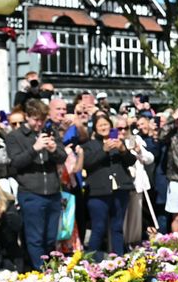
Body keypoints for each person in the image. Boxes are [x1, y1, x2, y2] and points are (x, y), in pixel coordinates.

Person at [7, 99, 66, 269]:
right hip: (31, 193)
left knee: (50, 237)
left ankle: (50, 269)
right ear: (27, 117)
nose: (39, 124)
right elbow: (16, 163)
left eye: (42, 120)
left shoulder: (51, 131)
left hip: (53, 193)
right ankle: (40, 272)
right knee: (35, 238)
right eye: (35, 119)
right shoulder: (15, 137)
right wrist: (35, 148)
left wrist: (54, 149)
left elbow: (63, 157)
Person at [78, 115, 134, 256]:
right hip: (98, 192)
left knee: (117, 227)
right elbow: (87, 163)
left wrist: (123, 150)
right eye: (100, 125)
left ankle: (119, 259)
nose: (104, 128)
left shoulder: (118, 141)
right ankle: (91, 260)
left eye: (106, 124)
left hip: (120, 189)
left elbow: (131, 161)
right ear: (95, 128)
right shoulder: (88, 145)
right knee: (98, 227)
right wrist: (103, 150)